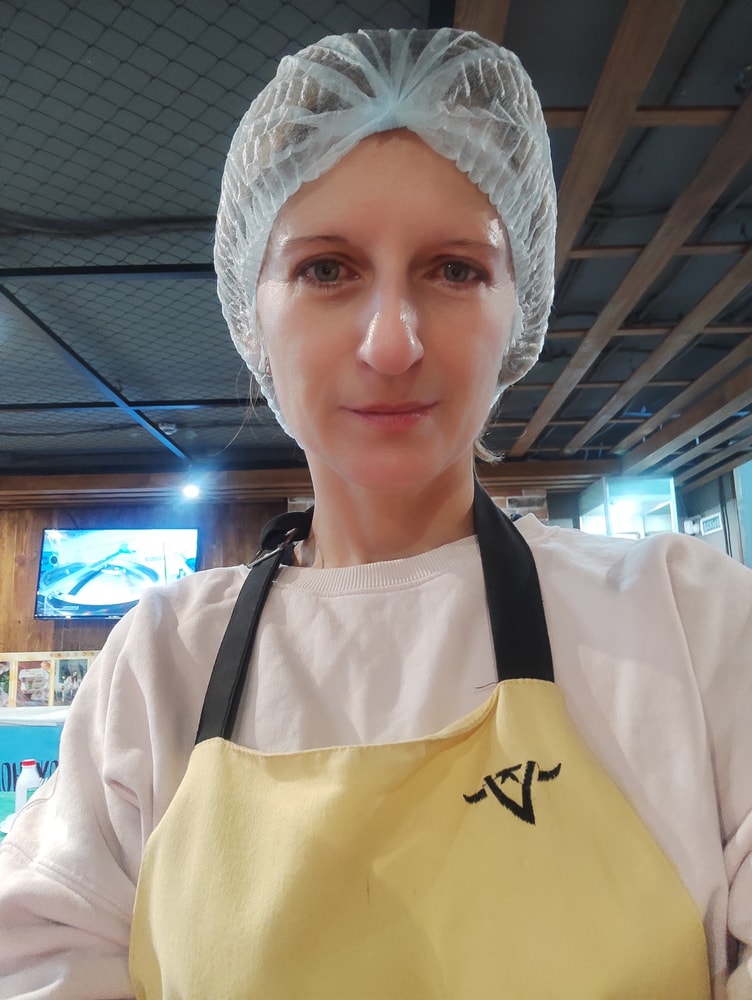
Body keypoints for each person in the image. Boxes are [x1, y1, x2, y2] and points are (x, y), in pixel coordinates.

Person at [0, 26, 750, 1000]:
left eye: (454, 269)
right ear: (251, 310)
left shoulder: (690, 622)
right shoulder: (159, 666)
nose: (391, 343)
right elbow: (40, 954)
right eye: (326, 268)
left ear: (518, 307)